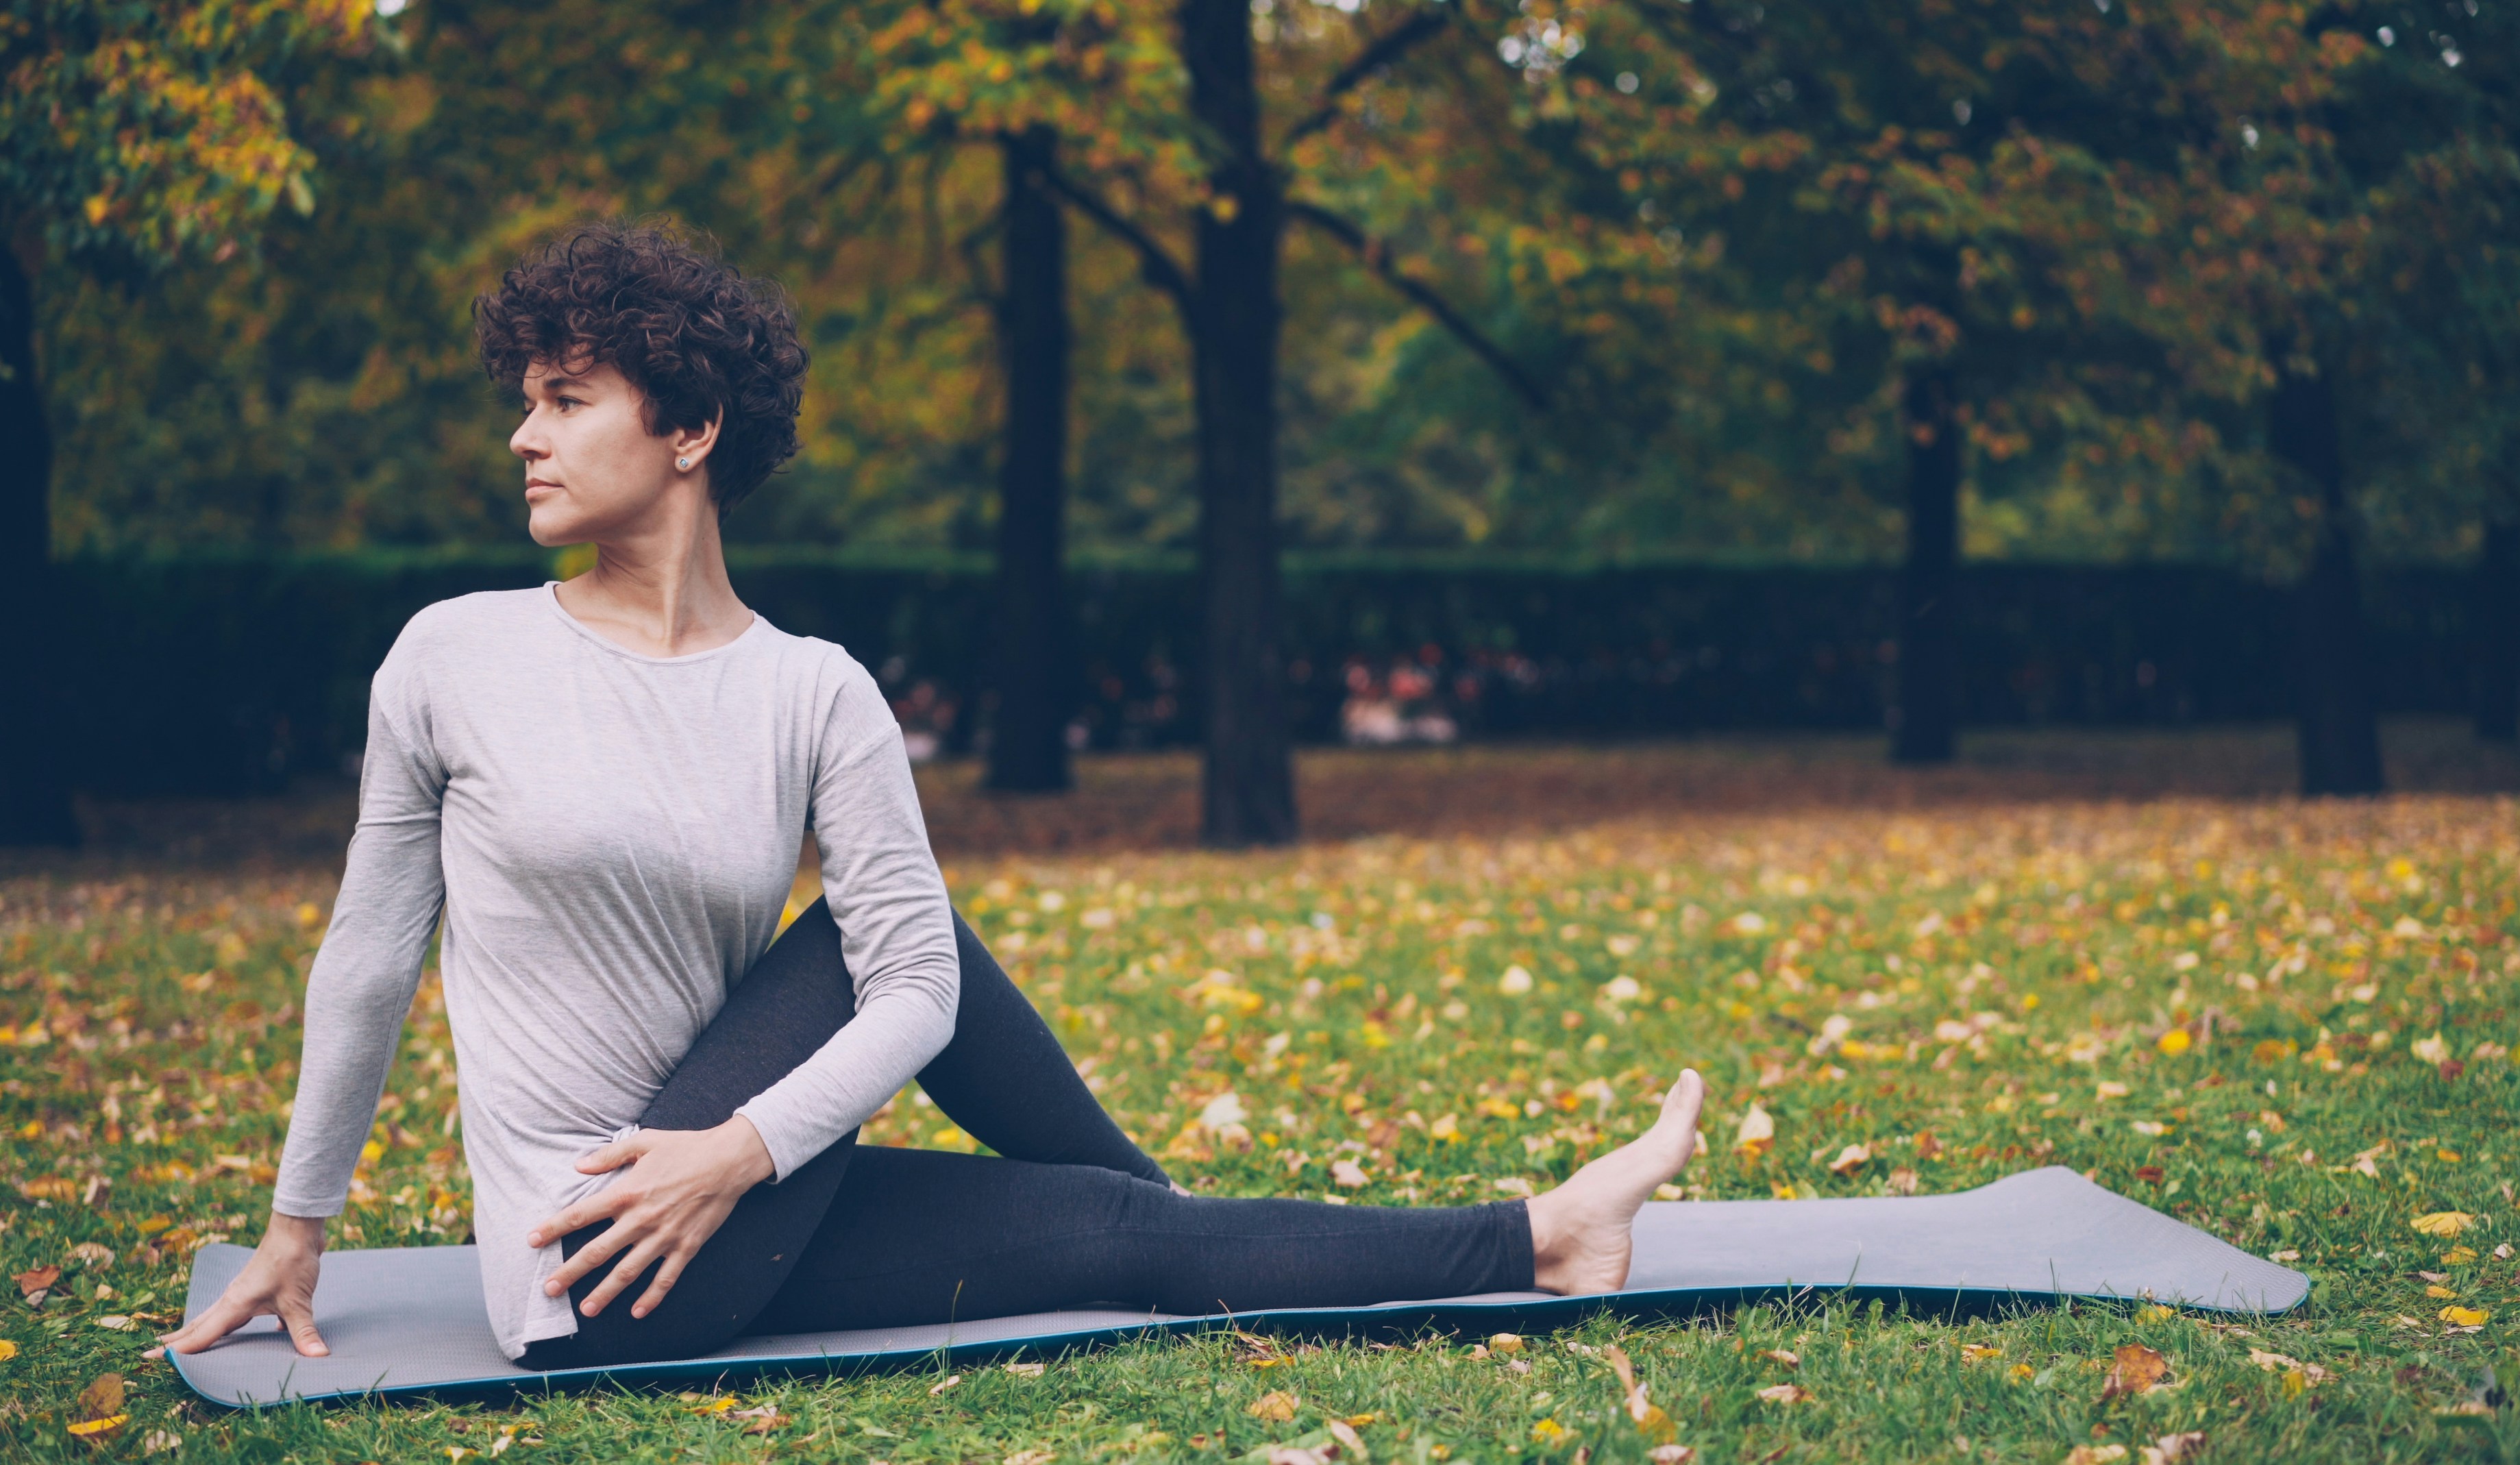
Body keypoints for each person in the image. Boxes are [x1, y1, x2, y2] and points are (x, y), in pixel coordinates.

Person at [161, 223, 1706, 1370]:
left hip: (737, 1186)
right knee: (897, 945)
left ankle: (1542, 1234)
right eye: (528, 399)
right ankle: (1176, 1213)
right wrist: (298, 1222)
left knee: (1095, 1207)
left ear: (689, 431)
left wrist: (742, 1147)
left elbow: (913, 990)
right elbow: (368, 955)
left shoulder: (812, 688)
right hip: (595, 1257)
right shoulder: (454, 652)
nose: (524, 433)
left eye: (567, 399)